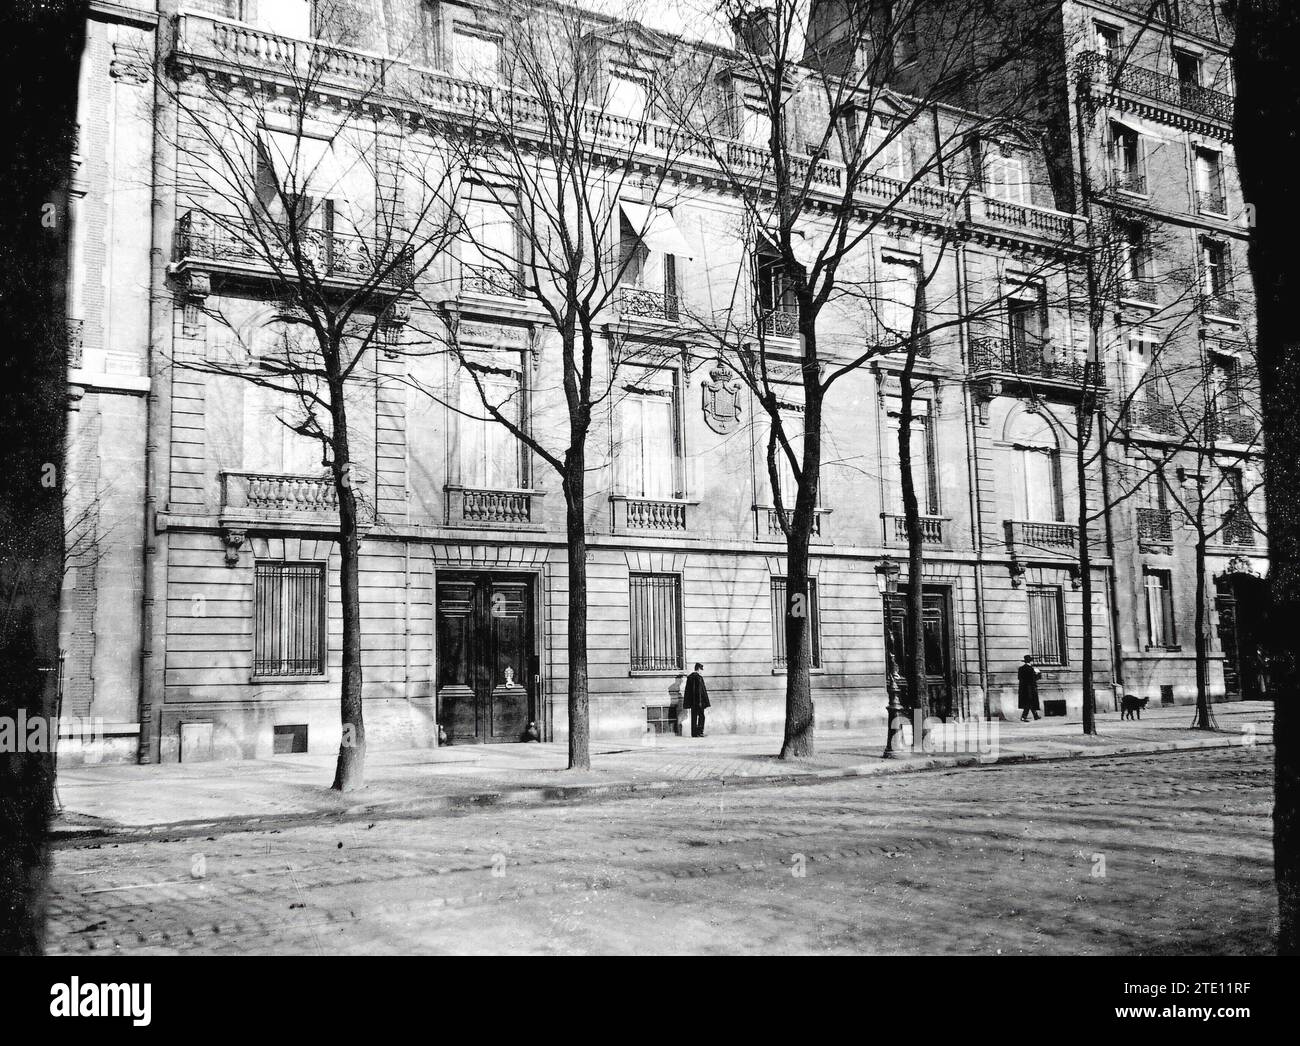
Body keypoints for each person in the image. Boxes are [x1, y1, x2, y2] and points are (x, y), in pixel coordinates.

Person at [683, 663, 710, 737]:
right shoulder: (699, 678)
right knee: (702, 716)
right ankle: (700, 732)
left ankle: (694, 733)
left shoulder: (690, 677)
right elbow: (700, 691)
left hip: (693, 702)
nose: (701, 671)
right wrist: (701, 702)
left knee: (694, 717)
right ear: (698, 669)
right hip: (699, 701)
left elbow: (688, 691)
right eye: (701, 670)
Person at [1018, 654, 1041, 722]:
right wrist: (1038, 673)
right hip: (1031, 688)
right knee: (1029, 702)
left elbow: (1019, 678)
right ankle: (1024, 717)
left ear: (1025, 661)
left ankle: (1035, 715)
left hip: (1023, 688)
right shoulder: (1032, 669)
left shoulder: (1020, 668)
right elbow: (1035, 678)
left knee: (1029, 702)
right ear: (1030, 661)